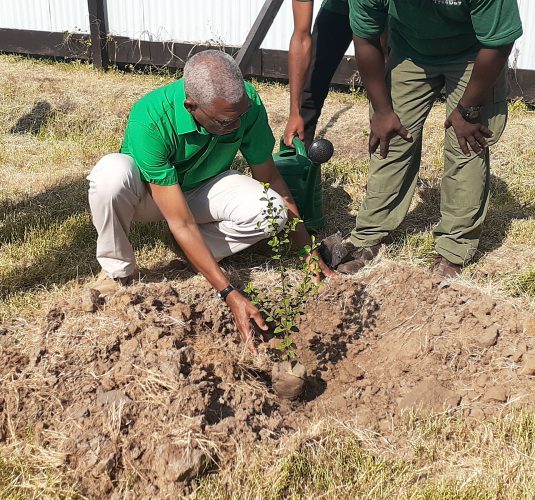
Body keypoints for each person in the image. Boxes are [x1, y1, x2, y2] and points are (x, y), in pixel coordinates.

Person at [87, 50, 333, 353]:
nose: (237, 124)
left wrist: (307, 249)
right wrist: (228, 292)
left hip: (205, 185)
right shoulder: (150, 117)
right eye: (226, 121)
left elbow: (272, 179)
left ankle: (195, 250)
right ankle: (117, 270)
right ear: (192, 107)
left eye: (240, 116)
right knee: (110, 175)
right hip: (150, 195)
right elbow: (180, 220)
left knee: (273, 212)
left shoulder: (245, 106)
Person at [337, 0, 523, 277]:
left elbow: (497, 43)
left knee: (466, 145)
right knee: (391, 138)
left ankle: (454, 249)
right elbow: (366, 38)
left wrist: (468, 110)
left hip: (476, 54)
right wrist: (382, 110)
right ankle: (369, 236)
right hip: (411, 51)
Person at [285, 0, 352, 148]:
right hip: (339, 9)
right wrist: (294, 112)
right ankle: (298, 163)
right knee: (311, 87)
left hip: (382, 11)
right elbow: (301, 37)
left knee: (388, 90)